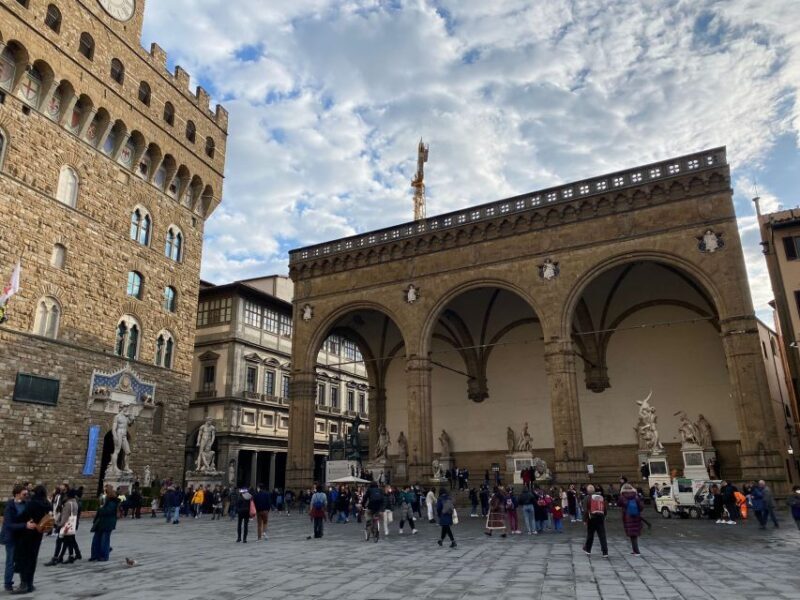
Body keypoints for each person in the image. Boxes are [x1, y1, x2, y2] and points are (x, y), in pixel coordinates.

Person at [12, 485, 51, 594]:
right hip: (38, 534)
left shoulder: (33, 503)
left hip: (27, 535)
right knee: (32, 559)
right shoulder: (47, 503)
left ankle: (24, 584)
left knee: (24, 559)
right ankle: (30, 583)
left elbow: (23, 517)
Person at [1, 484, 30, 592]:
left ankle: (24, 582)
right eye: (24, 494)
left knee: (22, 560)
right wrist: (24, 525)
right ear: (17, 494)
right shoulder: (10, 506)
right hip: (11, 537)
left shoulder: (25, 503)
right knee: (10, 560)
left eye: (27, 493)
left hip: (21, 537)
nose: (26, 495)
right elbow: (8, 525)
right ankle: (8, 583)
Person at [89, 486, 118, 562]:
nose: (103, 494)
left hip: (107, 523)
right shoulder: (105, 501)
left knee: (104, 540)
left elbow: (107, 511)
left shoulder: (112, 502)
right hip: (100, 522)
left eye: (105, 492)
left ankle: (104, 556)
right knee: (96, 539)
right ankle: (95, 555)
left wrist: (100, 508)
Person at [54, 489, 81, 564]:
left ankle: (58, 557)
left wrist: (59, 525)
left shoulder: (68, 504)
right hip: (72, 525)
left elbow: (65, 517)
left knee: (63, 541)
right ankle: (71, 556)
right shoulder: (75, 503)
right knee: (69, 541)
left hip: (66, 526)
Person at [617, 483, 644, 556]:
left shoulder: (622, 496)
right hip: (636, 516)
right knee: (634, 534)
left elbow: (618, 504)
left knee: (632, 535)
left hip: (627, 517)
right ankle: (635, 550)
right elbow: (641, 507)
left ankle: (637, 551)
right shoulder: (636, 496)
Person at [582, 484, 608, 558]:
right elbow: (604, 508)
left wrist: (584, 519)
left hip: (591, 518)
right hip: (600, 517)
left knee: (590, 534)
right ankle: (605, 552)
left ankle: (588, 550)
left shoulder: (587, 498)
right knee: (602, 535)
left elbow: (585, 510)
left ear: (587, 491)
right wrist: (604, 515)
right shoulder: (600, 497)